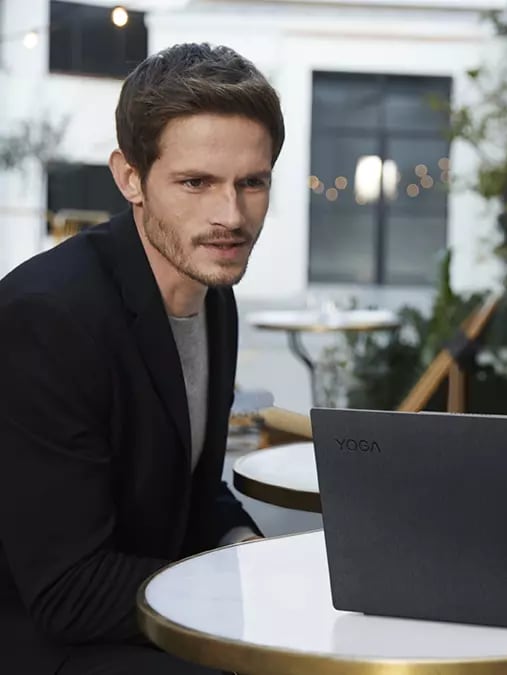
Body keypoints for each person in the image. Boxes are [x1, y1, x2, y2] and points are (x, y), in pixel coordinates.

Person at [0, 42, 285, 674]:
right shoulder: (47, 317)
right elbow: (66, 593)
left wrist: (256, 553)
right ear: (131, 177)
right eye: (195, 183)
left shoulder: (213, 294)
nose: (230, 216)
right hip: (43, 640)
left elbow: (185, 490)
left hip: (134, 607)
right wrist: (249, 598)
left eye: (252, 183)